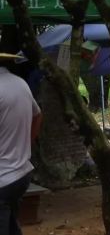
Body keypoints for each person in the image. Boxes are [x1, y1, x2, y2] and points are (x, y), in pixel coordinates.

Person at [0, 52, 43, 235]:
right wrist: (26, 143)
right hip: (20, 174)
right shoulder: (20, 83)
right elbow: (38, 114)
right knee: (11, 226)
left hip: (3, 177)